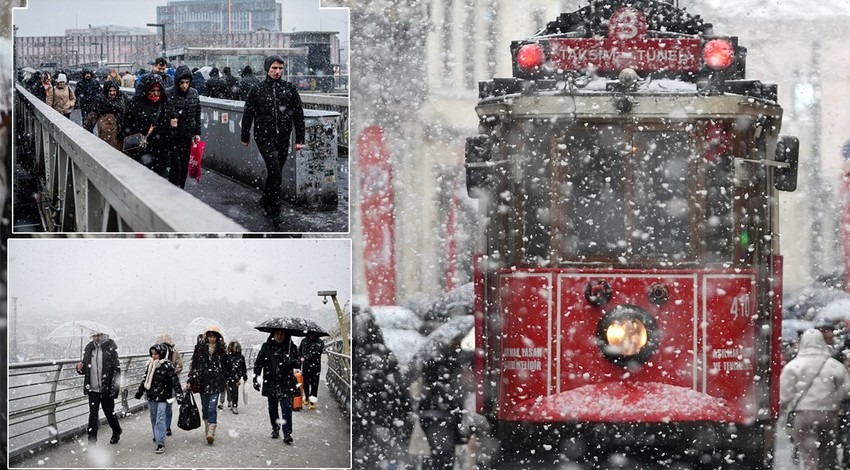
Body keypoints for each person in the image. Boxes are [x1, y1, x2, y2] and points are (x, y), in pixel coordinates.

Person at [240, 54, 306, 226]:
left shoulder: (289, 89)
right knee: (275, 171)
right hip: (264, 136)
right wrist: (245, 135)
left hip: (283, 137)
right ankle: (275, 210)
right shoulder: (257, 89)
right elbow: (248, 113)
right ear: (267, 69)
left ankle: (266, 198)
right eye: (274, 68)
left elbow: (298, 115)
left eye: (280, 68)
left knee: (275, 172)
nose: (277, 72)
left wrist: (300, 138)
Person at [780, 328, 850, 470]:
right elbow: (846, 389)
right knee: (825, 453)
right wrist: (835, 399)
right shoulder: (834, 365)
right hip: (829, 414)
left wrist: (787, 408)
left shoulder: (793, 366)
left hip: (804, 415)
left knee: (809, 456)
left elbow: (785, 395)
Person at [120, 73, 177, 177]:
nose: (155, 94)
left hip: (160, 151)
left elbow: (173, 124)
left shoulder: (166, 103)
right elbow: (126, 125)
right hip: (140, 150)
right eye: (152, 90)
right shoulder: (135, 104)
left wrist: (170, 131)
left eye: (158, 90)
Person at [75, 331, 122, 449]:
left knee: (109, 413)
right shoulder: (89, 348)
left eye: (99, 335)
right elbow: (85, 370)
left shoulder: (110, 348)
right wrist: (79, 368)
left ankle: (117, 431)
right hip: (93, 389)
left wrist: (114, 389)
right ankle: (91, 443)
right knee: (93, 415)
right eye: (95, 335)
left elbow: (117, 370)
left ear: (104, 335)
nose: (97, 338)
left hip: (106, 388)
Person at [135, 343, 184, 454]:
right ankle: (157, 435)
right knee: (153, 418)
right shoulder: (150, 365)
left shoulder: (168, 366)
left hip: (163, 397)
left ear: (161, 354)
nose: (153, 356)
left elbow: (175, 382)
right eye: (152, 354)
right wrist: (140, 392)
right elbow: (145, 380)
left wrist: (180, 396)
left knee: (160, 418)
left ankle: (160, 442)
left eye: (156, 354)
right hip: (152, 396)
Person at [253, 328, 299, 444]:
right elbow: (259, 363)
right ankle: (275, 427)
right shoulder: (266, 347)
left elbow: (299, 363)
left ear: (286, 335)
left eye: (282, 334)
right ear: (273, 334)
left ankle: (287, 432)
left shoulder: (291, 347)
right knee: (272, 407)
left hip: (286, 381)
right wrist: (256, 378)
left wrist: (291, 361)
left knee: (286, 408)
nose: (279, 336)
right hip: (271, 380)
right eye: (277, 334)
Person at [187, 325, 227, 444]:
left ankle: (211, 431)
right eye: (210, 336)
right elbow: (194, 365)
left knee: (212, 407)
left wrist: (227, 377)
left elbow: (226, 365)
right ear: (206, 337)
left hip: (216, 382)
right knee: (205, 407)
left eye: (214, 336)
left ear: (217, 337)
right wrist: (190, 380)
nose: (212, 339)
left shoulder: (221, 350)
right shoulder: (199, 349)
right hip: (203, 382)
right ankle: (207, 425)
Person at [165, 65, 201, 188]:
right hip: (173, 136)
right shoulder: (169, 93)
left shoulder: (194, 93)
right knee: (176, 166)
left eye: (187, 82)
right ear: (177, 82)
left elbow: (197, 113)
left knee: (184, 167)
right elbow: (165, 113)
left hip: (187, 136)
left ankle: (179, 189)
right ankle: (174, 189)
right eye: (182, 83)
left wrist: (197, 133)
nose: (185, 85)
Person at [155, 333, 184, 436]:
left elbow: (180, 366)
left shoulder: (174, 353)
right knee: (163, 407)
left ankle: (166, 426)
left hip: (170, 383)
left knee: (167, 406)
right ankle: (163, 427)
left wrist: (170, 374)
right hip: (160, 384)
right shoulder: (156, 354)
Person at [83, 81, 127, 150]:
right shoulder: (101, 101)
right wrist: (86, 129)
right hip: (107, 134)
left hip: (120, 133)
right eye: (110, 91)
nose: (112, 93)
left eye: (114, 90)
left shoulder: (122, 98)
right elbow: (93, 116)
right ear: (106, 91)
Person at [299, 332, 324, 409]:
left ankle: (312, 401)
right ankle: (306, 396)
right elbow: (299, 350)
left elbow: (317, 353)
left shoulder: (320, 342)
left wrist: (305, 357)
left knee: (314, 384)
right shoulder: (304, 341)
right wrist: (300, 357)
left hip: (315, 367)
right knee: (305, 384)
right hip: (306, 367)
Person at [225, 340, 248, 414]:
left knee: (235, 390)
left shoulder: (240, 357)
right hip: (229, 376)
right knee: (230, 391)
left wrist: (244, 375)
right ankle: (232, 402)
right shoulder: (227, 357)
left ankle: (234, 405)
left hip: (236, 377)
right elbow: (224, 367)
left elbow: (243, 367)